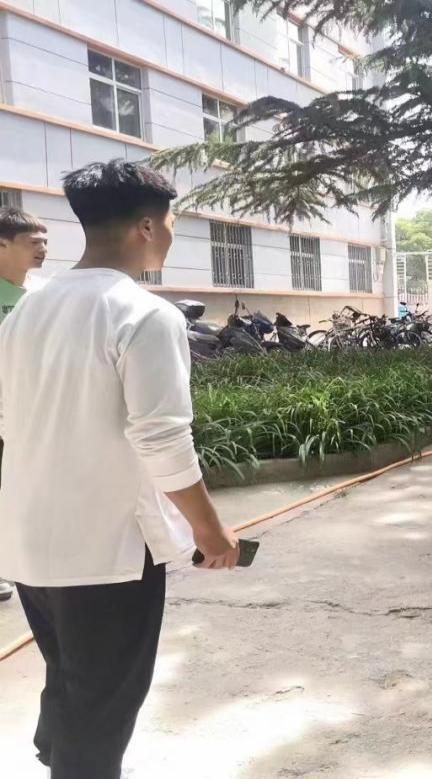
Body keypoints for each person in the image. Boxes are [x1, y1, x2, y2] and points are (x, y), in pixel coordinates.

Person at [0, 160, 241, 777]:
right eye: (171, 221)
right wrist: (209, 530)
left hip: (28, 543)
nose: (171, 232)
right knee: (101, 716)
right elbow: (162, 438)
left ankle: (57, 751)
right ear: (146, 226)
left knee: (71, 681)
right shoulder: (145, 314)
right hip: (105, 555)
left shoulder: (27, 310)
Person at [0, 207, 48, 604]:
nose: (43, 249)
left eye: (45, 241)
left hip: (29, 408)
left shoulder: (43, 295)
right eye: (33, 242)